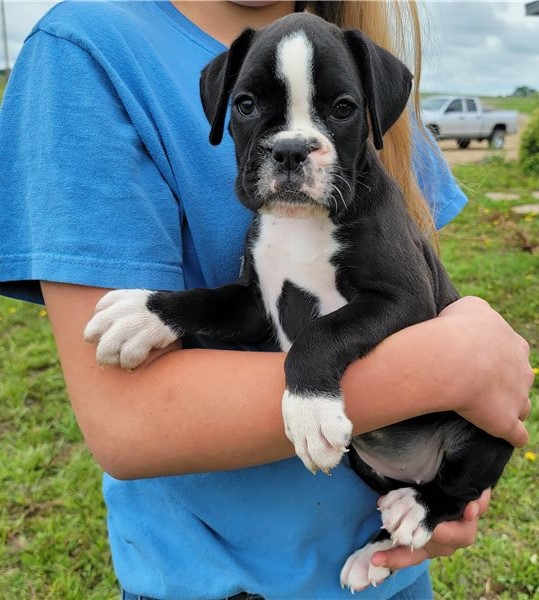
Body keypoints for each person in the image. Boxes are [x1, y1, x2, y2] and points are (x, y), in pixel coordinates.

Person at [0, 1, 533, 599]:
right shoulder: (89, 50)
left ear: (375, 116)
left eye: (340, 111)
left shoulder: (363, 134)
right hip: (210, 580)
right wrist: (167, 312)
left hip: (392, 549)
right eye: (251, 107)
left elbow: (405, 300)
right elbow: (256, 310)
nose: (291, 146)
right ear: (224, 105)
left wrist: (454, 489)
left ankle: (428, 500)